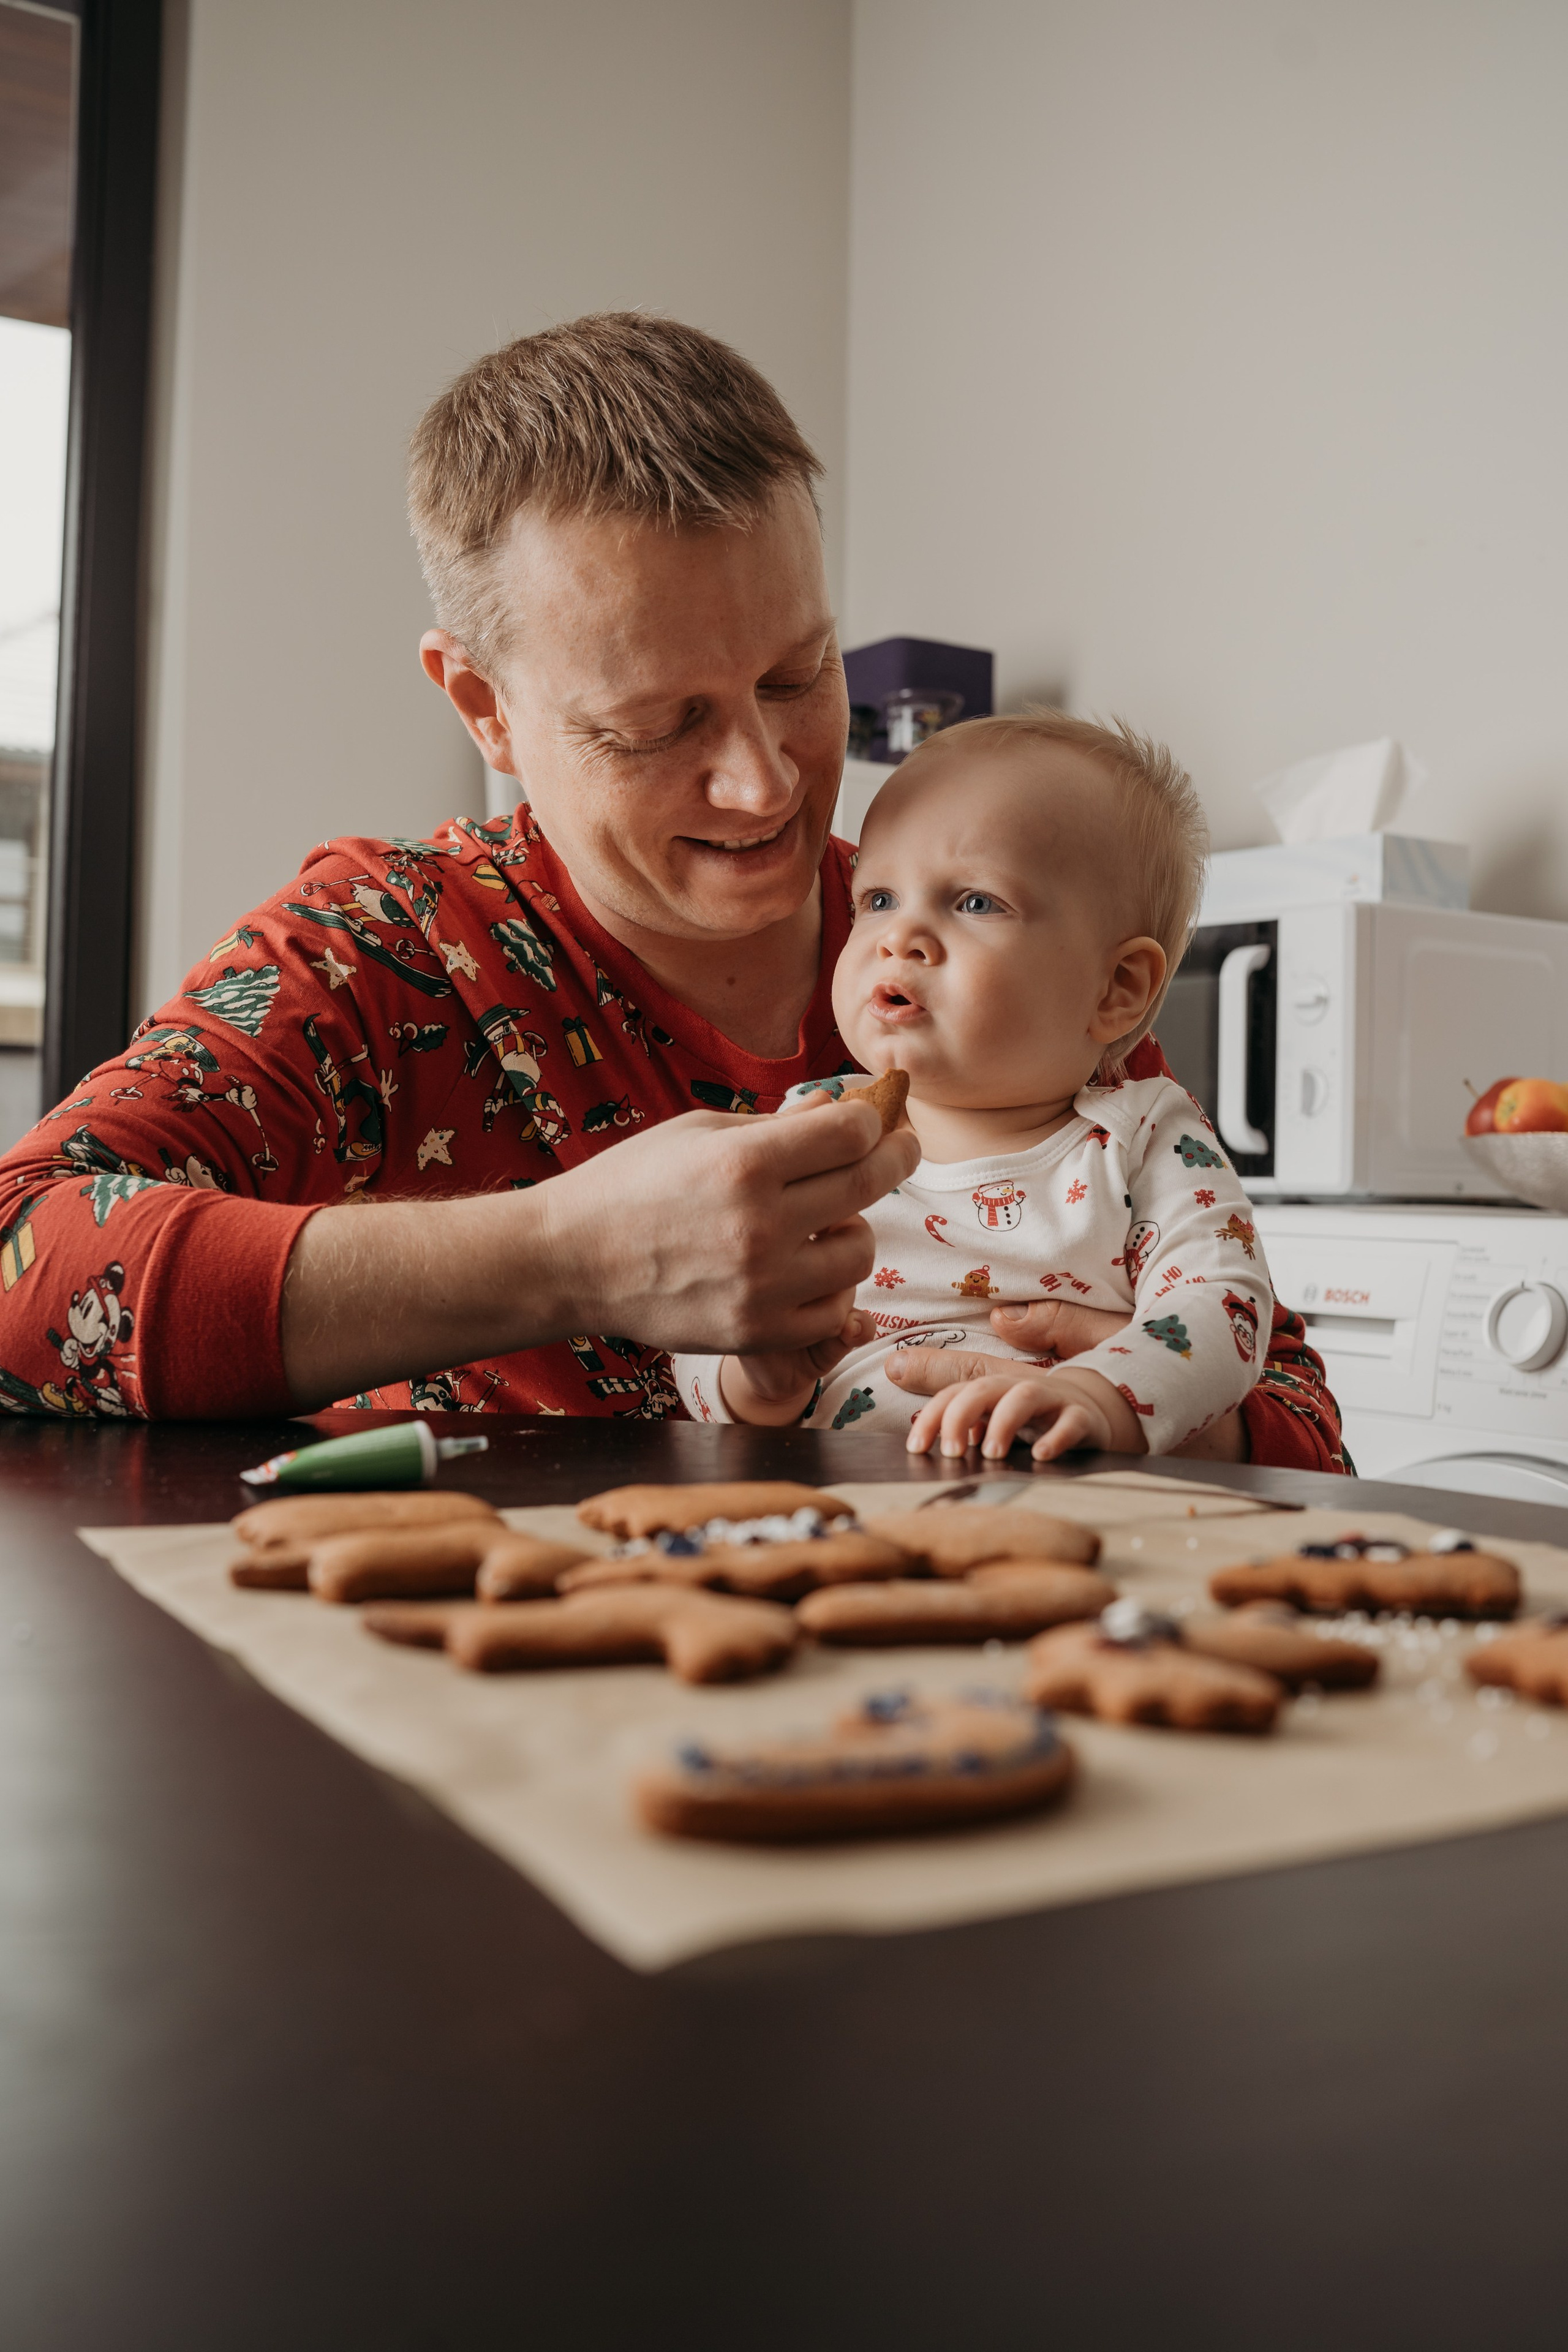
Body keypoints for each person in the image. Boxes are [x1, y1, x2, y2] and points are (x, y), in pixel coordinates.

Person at [0, 312, 1346, 1468]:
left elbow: (1296, 1409)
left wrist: (1118, 1406)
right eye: (656, 727)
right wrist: (561, 1257)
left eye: (794, 679)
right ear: (484, 706)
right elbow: (21, 1257)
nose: (764, 786)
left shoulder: (996, 958)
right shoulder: (382, 950)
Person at [674, 710, 1275, 1461]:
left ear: (1116, 989)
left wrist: (1102, 1396)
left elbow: (1222, 1307)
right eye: (879, 899)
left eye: (975, 902)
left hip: (1061, 1493)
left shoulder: (1144, 1136)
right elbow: (711, 1311)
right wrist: (751, 1379)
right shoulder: (811, 1131)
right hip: (837, 1506)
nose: (900, 936)